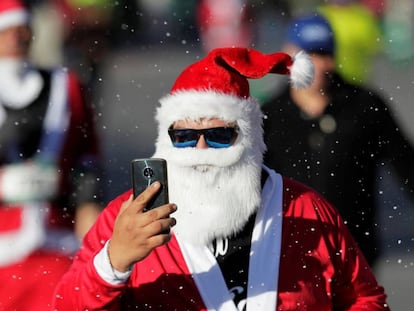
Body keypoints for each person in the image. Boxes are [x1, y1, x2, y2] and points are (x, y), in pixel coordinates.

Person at [52, 46, 390, 310]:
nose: (200, 148)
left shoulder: (307, 211)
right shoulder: (126, 219)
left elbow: (364, 300)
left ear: (249, 138)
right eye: (183, 136)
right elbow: (66, 306)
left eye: (218, 135)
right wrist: (112, 263)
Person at [261, 13, 414, 267]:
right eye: (308, 55)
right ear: (288, 55)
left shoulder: (364, 106)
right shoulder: (270, 115)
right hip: (287, 256)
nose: (318, 65)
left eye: (324, 54)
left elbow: (407, 167)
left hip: (354, 252)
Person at [0, 0, 102, 309]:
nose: (17, 38)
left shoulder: (65, 84)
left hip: (58, 240)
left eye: (23, 29)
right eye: (7, 30)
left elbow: (87, 155)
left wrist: (88, 203)